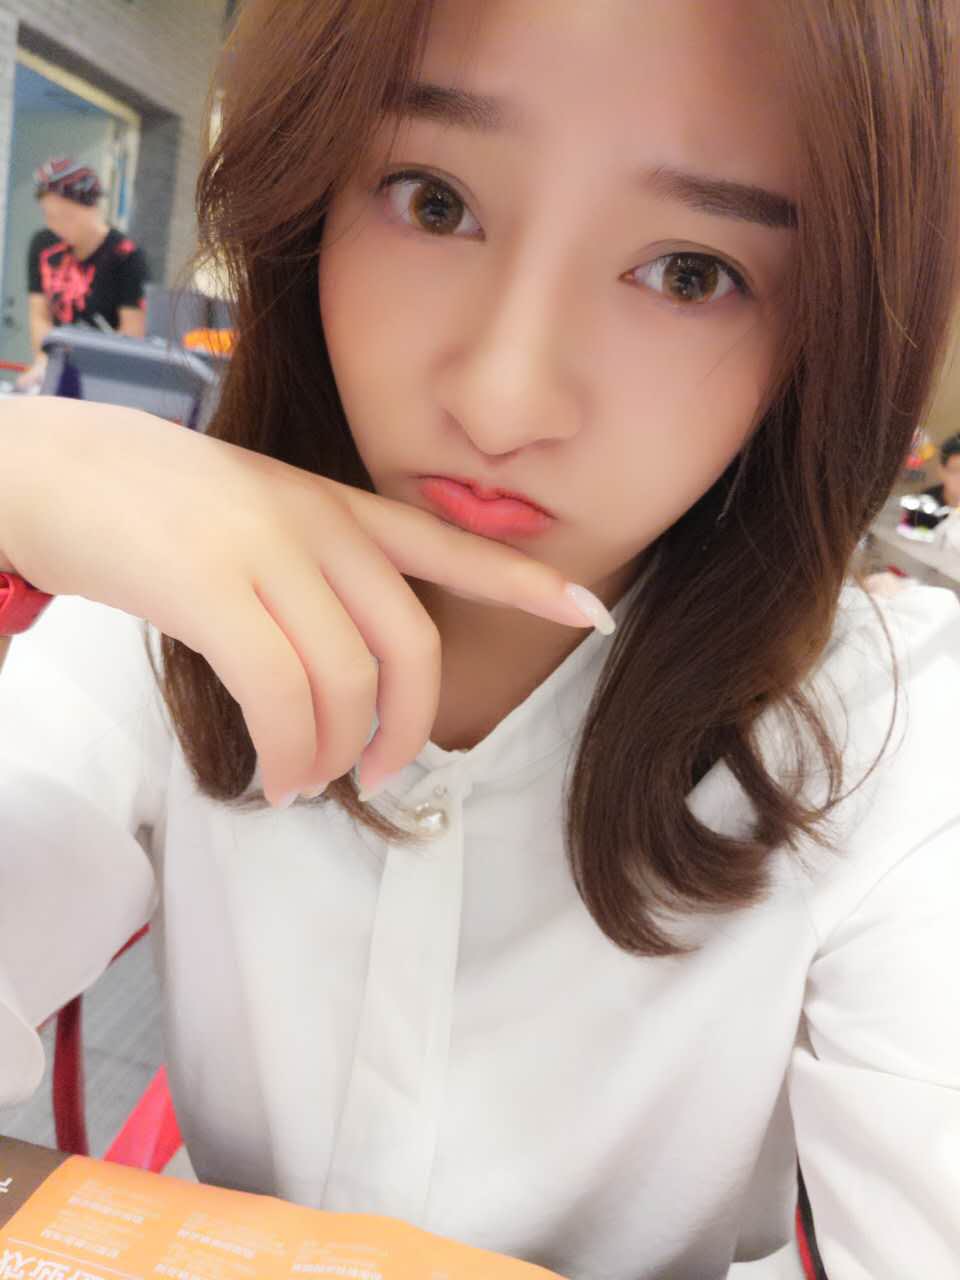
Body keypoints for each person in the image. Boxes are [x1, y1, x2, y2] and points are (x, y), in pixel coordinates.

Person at [0, 2, 958, 1277]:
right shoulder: (166, 613)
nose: (504, 400)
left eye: (689, 272)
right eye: (435, 201)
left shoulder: (890, 735)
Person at [17, 156, 148, 392]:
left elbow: (132, 332)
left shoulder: (125, 255)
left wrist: (85, 372)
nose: (56, 226)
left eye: (66, 217)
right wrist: (44, 360)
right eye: (49, 216)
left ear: (91, 207)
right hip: (55, 369)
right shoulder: (44, 245)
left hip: (104, 377)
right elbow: (39, 315)